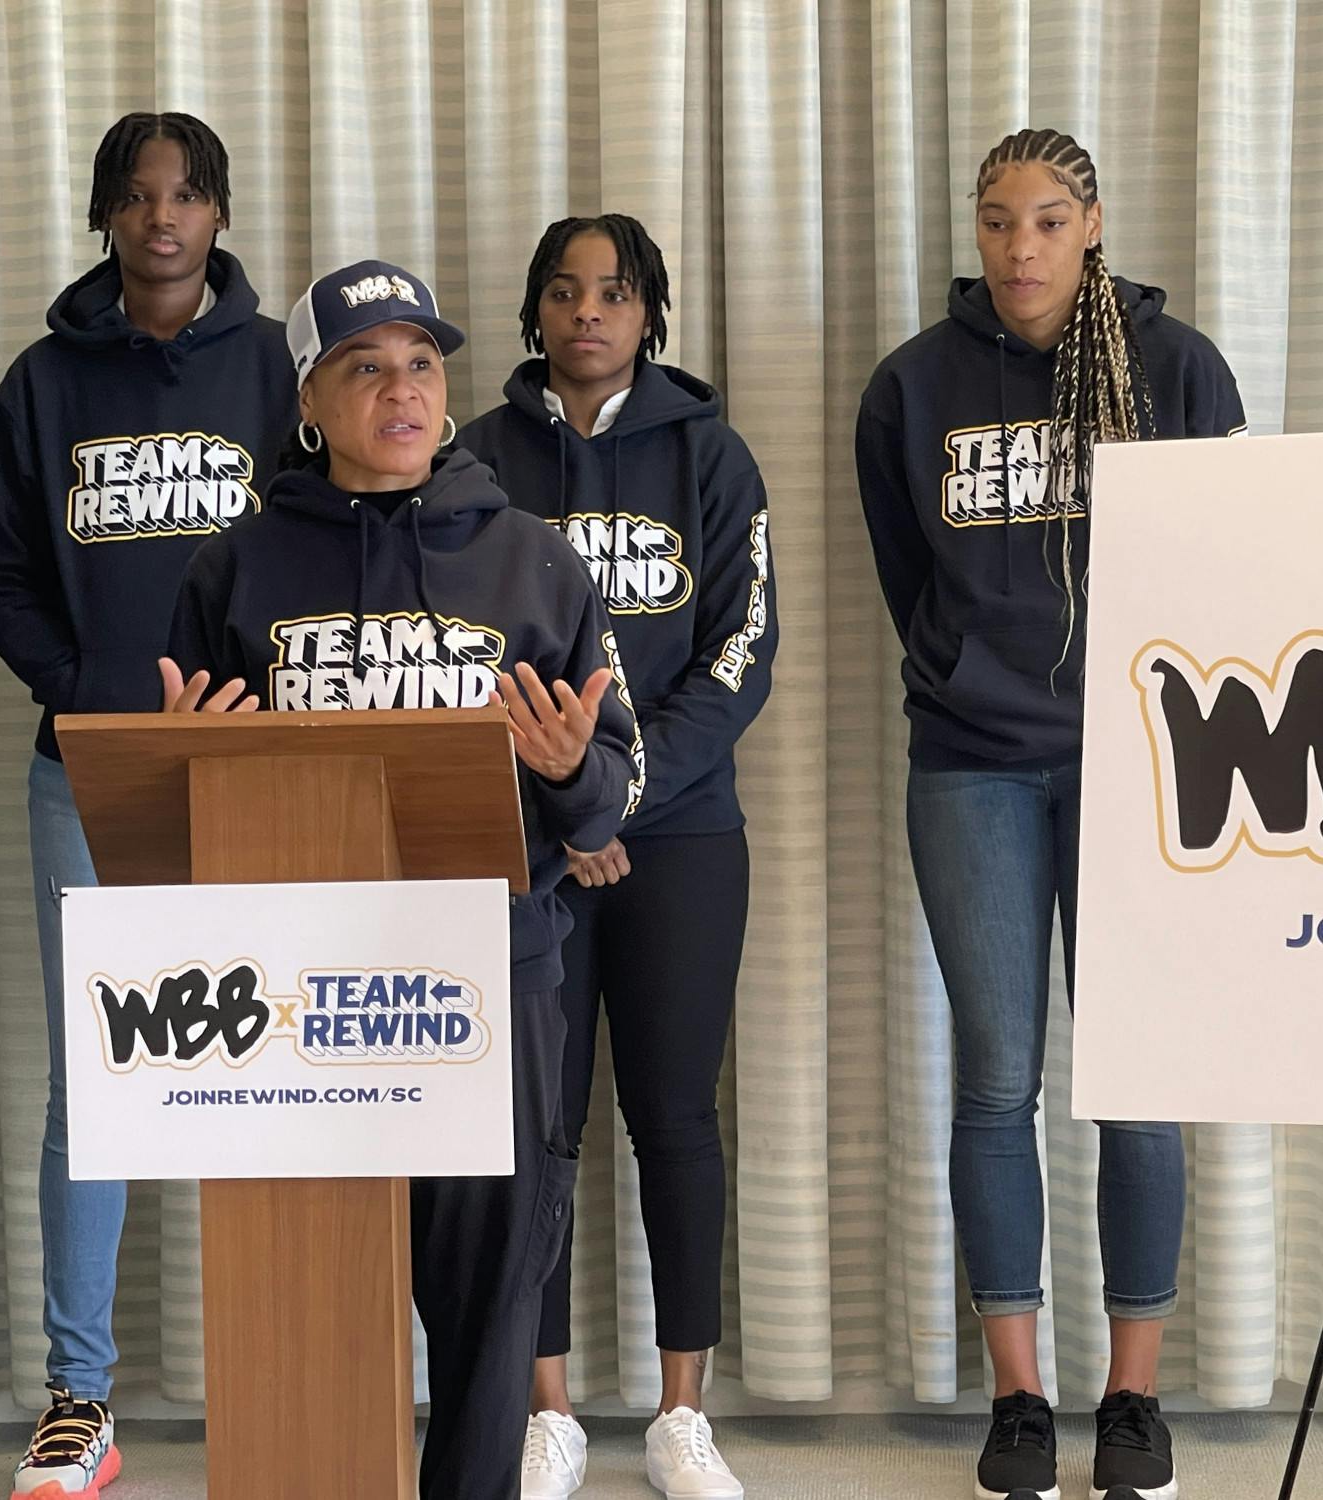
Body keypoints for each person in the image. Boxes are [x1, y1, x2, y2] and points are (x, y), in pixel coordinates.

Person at [162, 258, 643, 1500]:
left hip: (491, 974)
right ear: (308, 400)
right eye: (363, 365)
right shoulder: (236, 572)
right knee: (314, 1284)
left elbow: (606, 785)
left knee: (489, 1300)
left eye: (422, 363)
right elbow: (176, 810)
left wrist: (571, 772)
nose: (401, 389)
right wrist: (191, 760)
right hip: (296, 990)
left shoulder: (535, 564)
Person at [856, 128, 1246, 1500]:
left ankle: (1132, 1400)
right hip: (975, 766)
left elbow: (1226, 567)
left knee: (1139, 1085)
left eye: (1044, 220)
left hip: (1142, 765)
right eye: (995, 222)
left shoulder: (1177, 368)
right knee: (996, 1080)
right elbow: (912, 578)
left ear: (1090, 227)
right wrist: (978, 674)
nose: (1017, 248)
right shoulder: (912, 389)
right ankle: (1021, 1399)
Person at [0, 111, 297, 1499]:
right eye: (138, 197)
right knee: (100, 1083)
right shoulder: (44, 384)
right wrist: (86, 695)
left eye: (187, 196)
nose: (163, 220)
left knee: (270, 1063)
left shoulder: (280, 366)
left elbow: (328, 530)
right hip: (85, 774)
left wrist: (253, 695)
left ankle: (286, 1367)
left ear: (219, 213)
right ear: (105, 214)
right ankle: (79, 1399)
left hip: (257, 769)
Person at [459, 214, 776, 1500]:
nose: (587, 311)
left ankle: (678, 1415)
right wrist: (557, 816)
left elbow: (737, 660)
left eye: (614, 291)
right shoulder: (476, 459)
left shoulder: (711, 455)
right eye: (562, 291)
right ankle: (545, 1411)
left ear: (649, 313)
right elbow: (451, 652)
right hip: (520, 840)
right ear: (534, 313)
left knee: (674, 1116)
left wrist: (614, 801)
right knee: (533, 1123)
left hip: (680, 835)